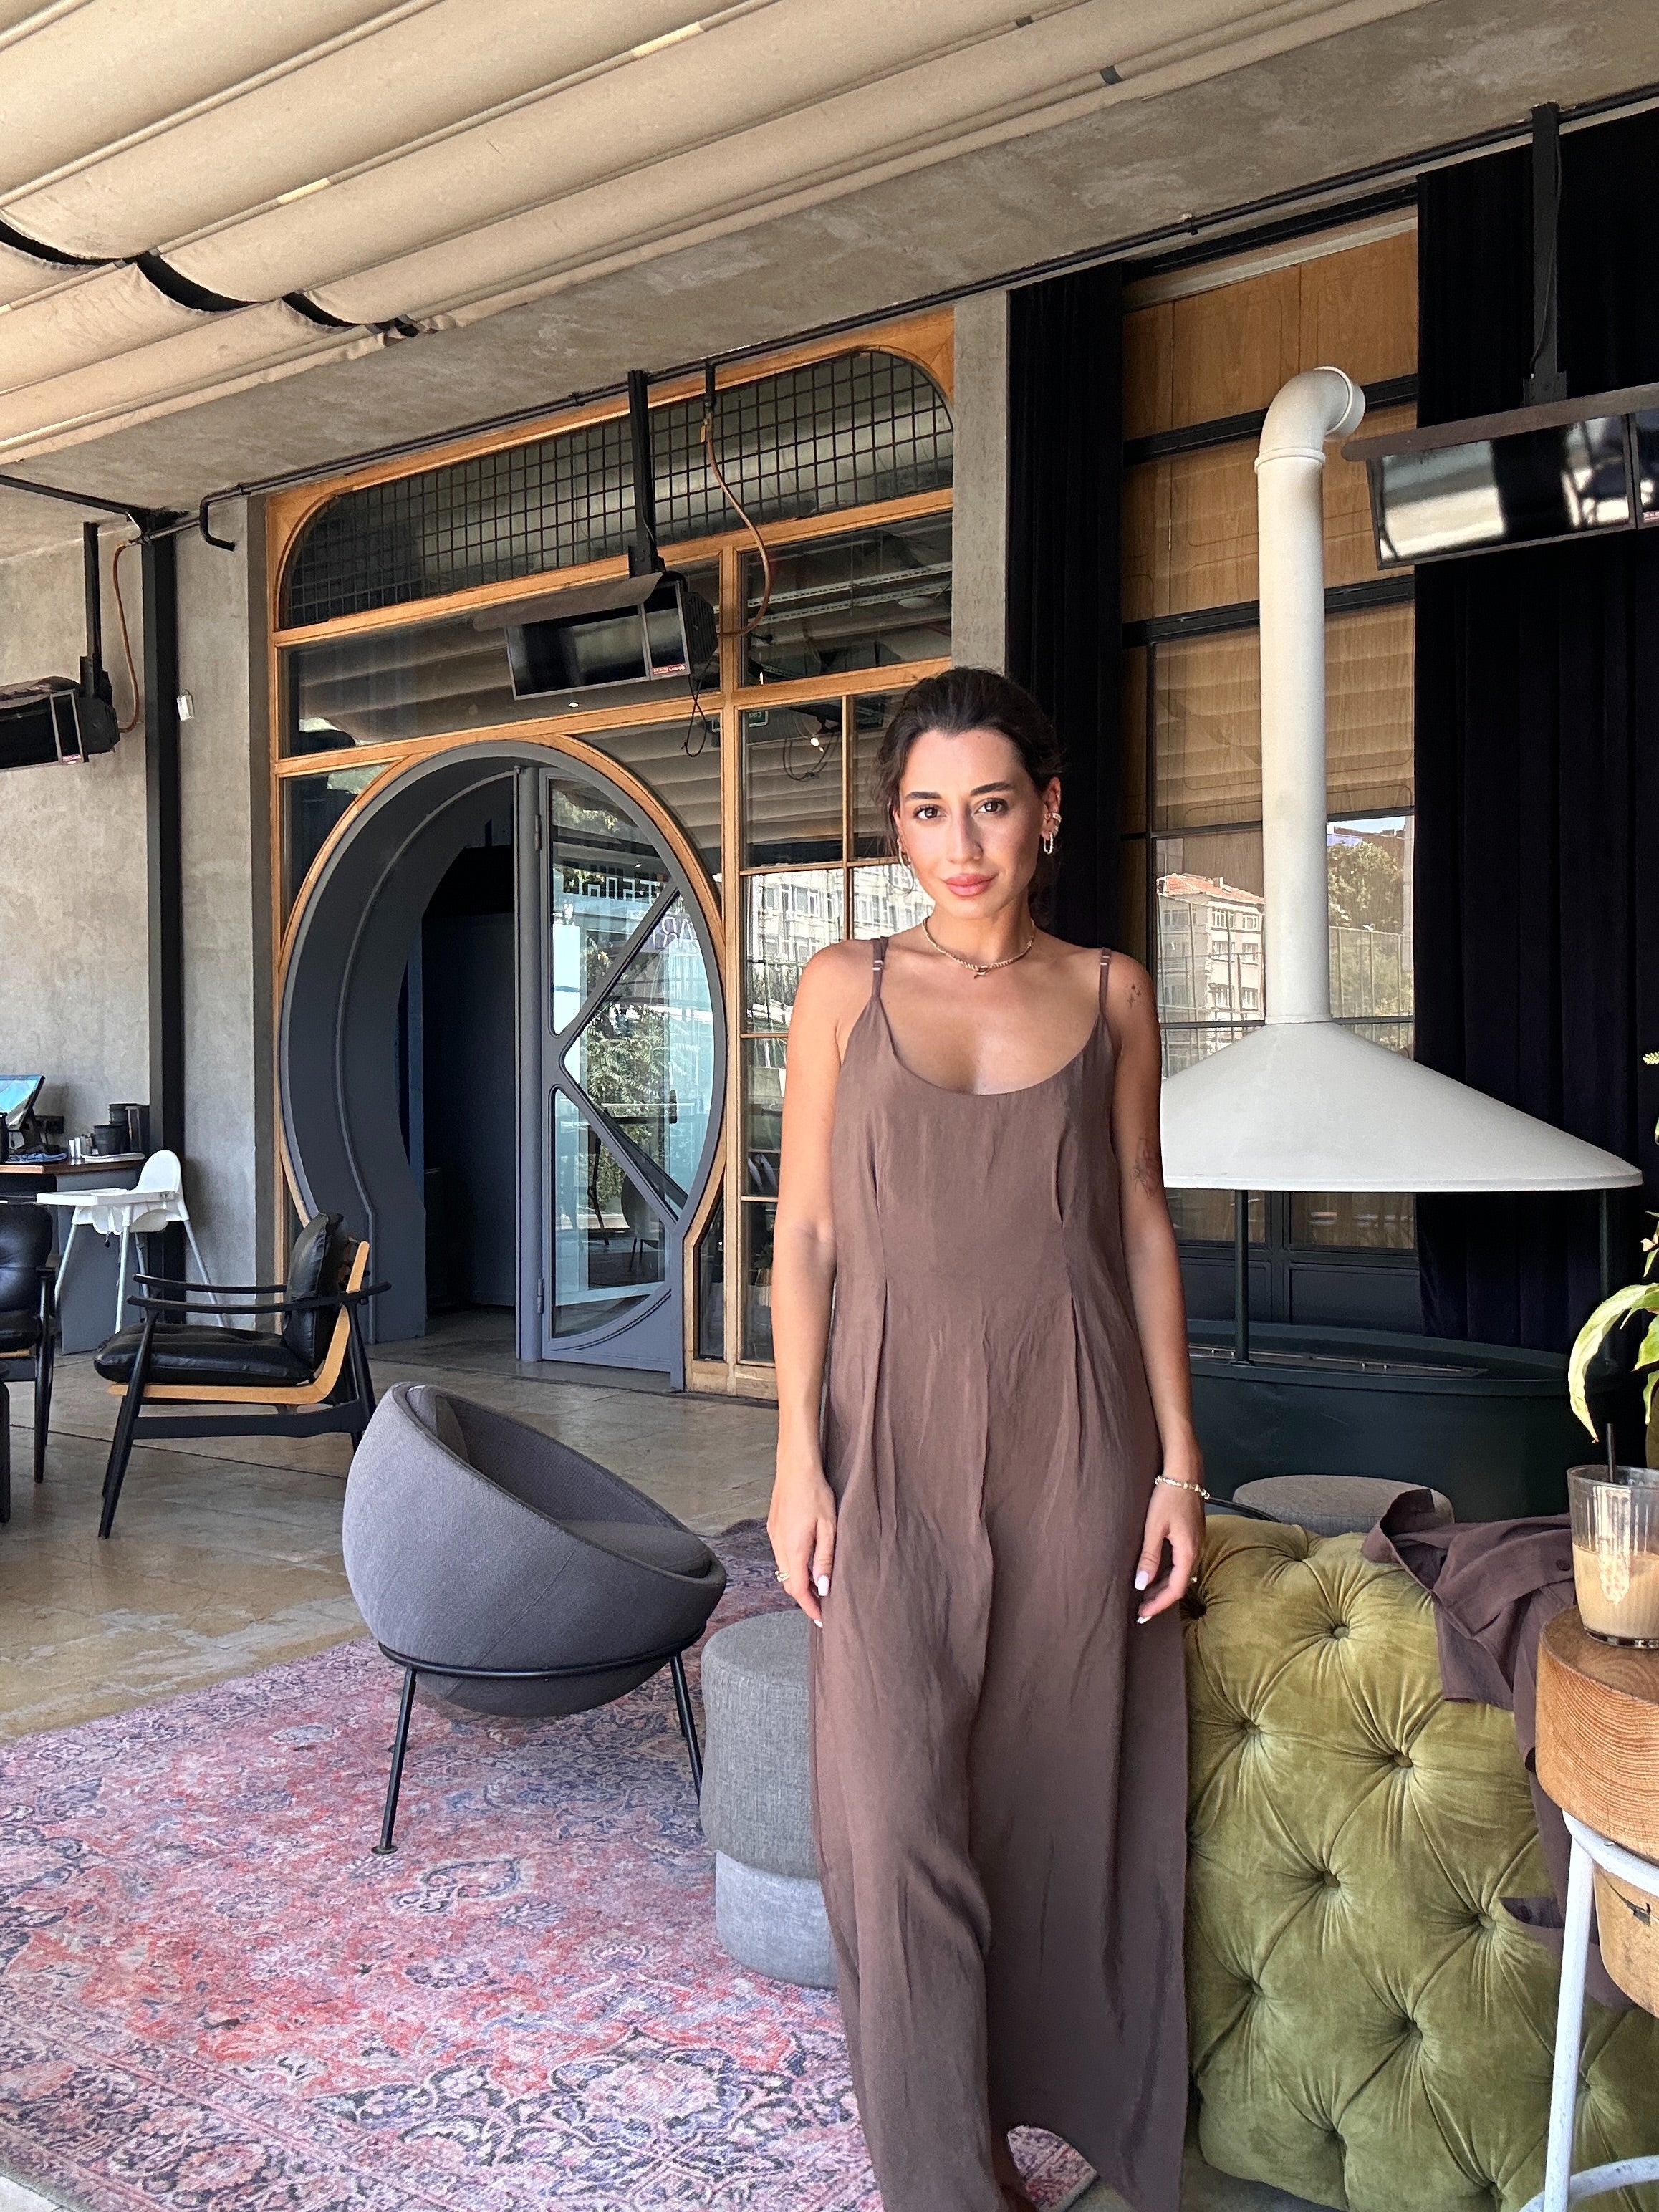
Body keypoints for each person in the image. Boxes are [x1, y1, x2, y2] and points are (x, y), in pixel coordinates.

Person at [766, 666, 1203, 2212]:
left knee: (1059, 1796)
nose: (961, 845)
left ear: (1049, 811)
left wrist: (1178, 1464)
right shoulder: (842, 986)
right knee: (890, 1820)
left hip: (1075, 1434)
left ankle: (1051, 2127)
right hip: (882, 1434)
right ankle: (948, 2181)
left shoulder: (1114, 991)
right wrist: (795, 1456)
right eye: (928, 811)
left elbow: (1141, 1222)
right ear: (898, 828)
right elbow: (806, 1231)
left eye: (993, 805)